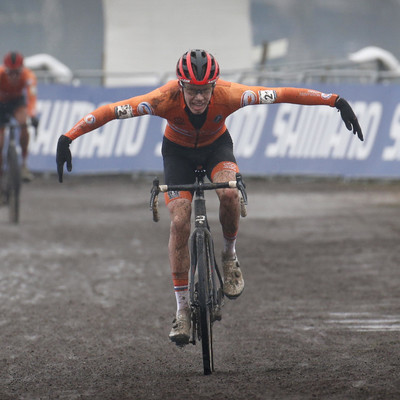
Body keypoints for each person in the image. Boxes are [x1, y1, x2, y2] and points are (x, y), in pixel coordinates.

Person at [56, 49, 363, 346]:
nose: (200, 97)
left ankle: (229, 257)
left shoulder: (229, 95)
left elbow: (281, 93)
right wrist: (68, 137)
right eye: (192, 90)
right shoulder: (163, 99)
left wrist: (334, 101)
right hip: (177, 155)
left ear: (214, 86)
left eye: (205, 90)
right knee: (179, 220)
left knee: (229, 192)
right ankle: (182, 311)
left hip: (217, 149)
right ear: (181, 85)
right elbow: (111, 111)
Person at [0, 51, 39, 182]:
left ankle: (23, 164)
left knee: (23, 124)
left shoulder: (29, 76)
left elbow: (31, 98)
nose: (14, 76)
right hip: (0, 103)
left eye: (17, 72)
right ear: (5, 69)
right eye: (10, 72)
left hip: (17, 102)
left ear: (22, 69)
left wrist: (32, 115)